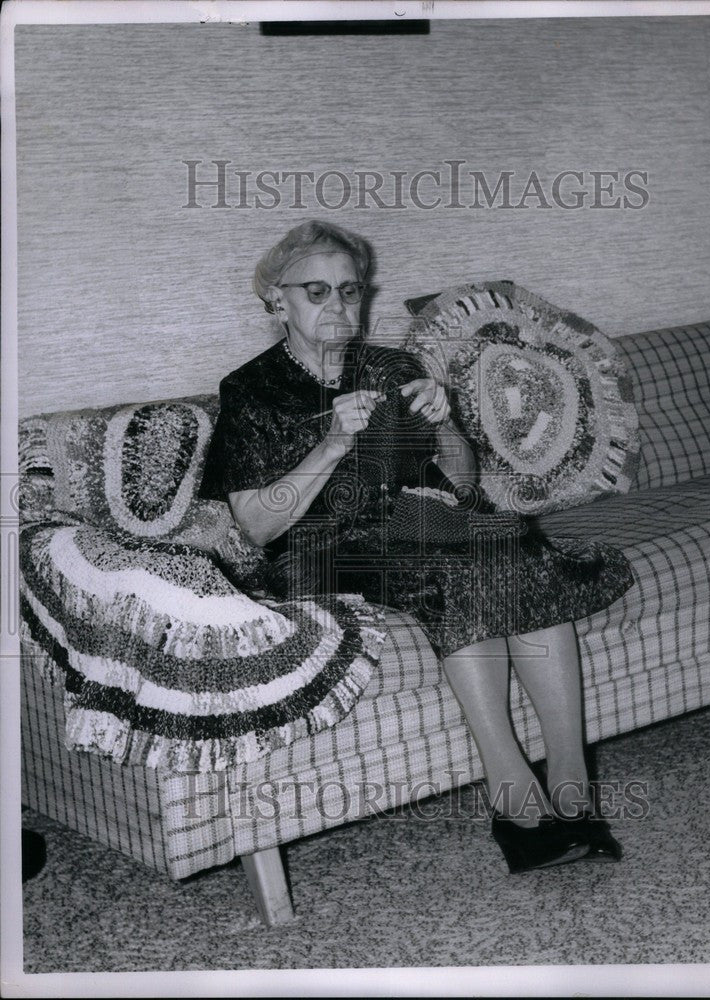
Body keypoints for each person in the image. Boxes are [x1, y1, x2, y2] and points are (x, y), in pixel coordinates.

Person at [200, 220, 635, 872]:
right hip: (315, 549)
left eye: (349, 290)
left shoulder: (394, 367)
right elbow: (258, 527)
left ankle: (572, 791)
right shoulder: (250, 390)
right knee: (454, 570)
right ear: (276, 300)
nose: (339, 305)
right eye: (316, 291)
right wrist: (332, 445)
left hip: (406, 525)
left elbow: (461, 487)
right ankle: (516, 804)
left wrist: (446, 428)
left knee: (513, 545)